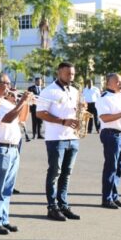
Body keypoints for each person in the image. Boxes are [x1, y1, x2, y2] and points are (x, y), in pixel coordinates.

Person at [0, 73, 31, 235]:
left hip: (12, 148)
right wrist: (21, 101)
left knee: (7, 188)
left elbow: (21, 118)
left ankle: (3, 218)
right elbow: (8, 119)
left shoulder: (5, 102)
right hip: (0, 149)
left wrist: (25, 104)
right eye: (6, 83)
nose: (9, 86)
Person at [35, 62, 82, 221]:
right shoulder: (48, 91)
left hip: (73, 137)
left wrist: (82, 108)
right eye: (68, 74)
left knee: (66, 174)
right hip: (56, 138)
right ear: (59, 73)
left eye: (73, 74)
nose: (71, 77)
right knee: (55, 173)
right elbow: (40, 113)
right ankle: (52, 207)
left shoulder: (75, 91)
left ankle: (63, 205)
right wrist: (63, 121)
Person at [96, 73, 121, 209]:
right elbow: (105, 118)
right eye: (117, 81)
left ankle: (114, 196)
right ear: (108, 83)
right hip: (111, 135)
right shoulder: (104, 98)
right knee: (111, 167)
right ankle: (106, 199)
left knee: (119, 168)